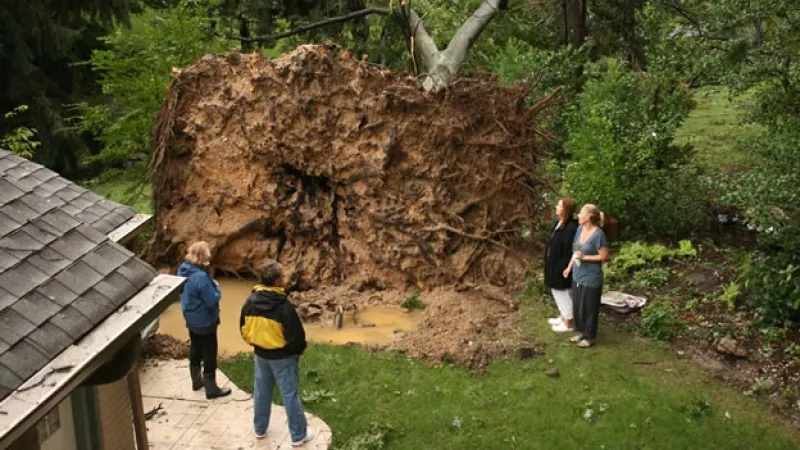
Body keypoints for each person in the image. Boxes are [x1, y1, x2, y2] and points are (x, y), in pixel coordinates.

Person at [240, 262, 314, 446]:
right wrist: (297, 351)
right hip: (283, 358)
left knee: (261, 392)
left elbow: (243, 329)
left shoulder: (250, 302)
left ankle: (259, 429)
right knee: (290, 395)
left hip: (261, 355)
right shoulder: (284, 306)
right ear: (277, 281)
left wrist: (256, 344)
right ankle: (298, 435)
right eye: (282, 276)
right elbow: (296, 336)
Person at [177, 241, 232, 399]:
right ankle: (211, 388)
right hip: (205, 321)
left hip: (191, 318)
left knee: (195, 349)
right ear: (204, 257)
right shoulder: (200, 277)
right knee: (209, 353)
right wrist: (217, 288)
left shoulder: (184, 270)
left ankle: (196, 381)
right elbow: (211, 300)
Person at [563, 204, 610, 348]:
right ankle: (582, 332)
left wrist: (585, 258)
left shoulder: (598, 234)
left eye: (581, 213)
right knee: (578, 306)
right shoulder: (579, 229)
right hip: (577, 275)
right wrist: (569, 267)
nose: (578, 215)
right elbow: (576, 250)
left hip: (591, 277)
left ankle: (590, 337)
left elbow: (604, 256)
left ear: (588, 217)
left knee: (589, 307)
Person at [544, 198, 579, 333]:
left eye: (559, 205)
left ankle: (568, 322)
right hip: (552, 263)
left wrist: (562, 267)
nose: (556, 207)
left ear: (565, 209)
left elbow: (570, 250)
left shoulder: (571, 227)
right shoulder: (558, 223)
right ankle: (564, 316)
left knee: (561, 291)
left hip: (561, 266)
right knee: (559, 291)